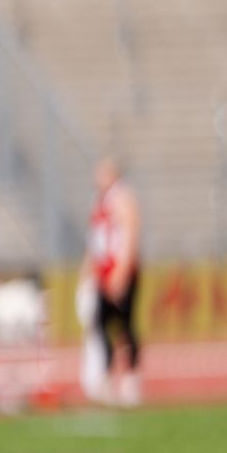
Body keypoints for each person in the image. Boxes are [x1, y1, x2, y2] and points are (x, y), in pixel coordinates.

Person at [83, 156, 143, 405]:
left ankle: (130, 379)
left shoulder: (123, 198)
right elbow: (96, 241)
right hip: (103, 272)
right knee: (100, 324)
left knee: (124, 326)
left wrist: (121, 272)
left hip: (119, 272)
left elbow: (129, 234)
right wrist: (89, 270)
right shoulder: (100, 201)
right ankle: (107, 377)